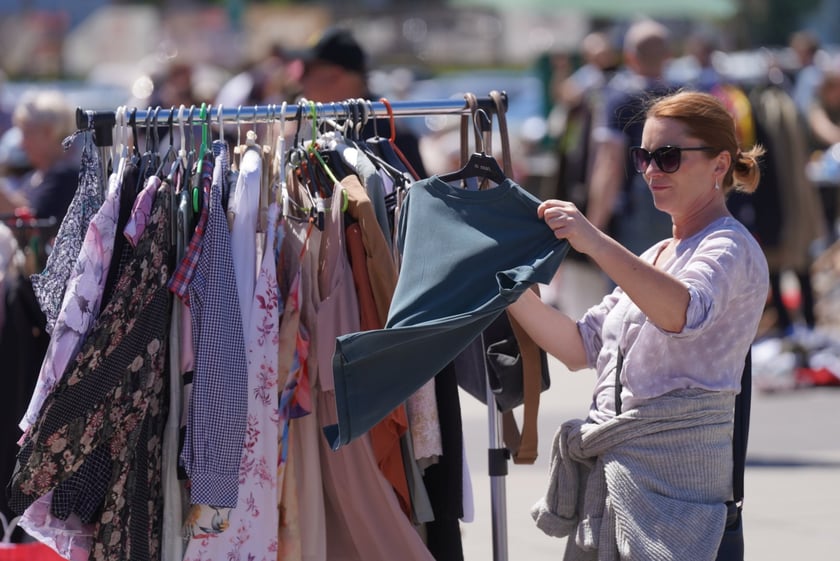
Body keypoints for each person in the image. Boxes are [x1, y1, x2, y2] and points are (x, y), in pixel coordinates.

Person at [509, 91, 769, 559]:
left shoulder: (731, 246)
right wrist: (505, 288)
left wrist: (594, 240)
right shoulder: (656, 254)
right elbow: (579, 347)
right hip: (616, 479)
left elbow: (683, 313)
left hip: (677, 493)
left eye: (668, 156)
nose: (651, 171)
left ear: (719, 164)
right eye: (643, 157)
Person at [585, 19, 680, 259]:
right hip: (681, 206)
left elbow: (610, 165)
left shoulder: (620, 100)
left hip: (636, 211)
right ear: (668, 56)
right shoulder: (685, 98)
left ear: (629, 57)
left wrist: (593, 226)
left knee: (630, 277)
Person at [288, 26, 427, 178]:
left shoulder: (392, 135)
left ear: (335, 75)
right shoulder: (320, 126)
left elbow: (415, 190)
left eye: (307, 70)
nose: (300, 80)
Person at [9, 89, 78, 224]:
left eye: (26, 133)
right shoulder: (32, 178)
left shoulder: (65, 177)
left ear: (48, 132)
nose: (21, 144)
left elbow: (36, 226)